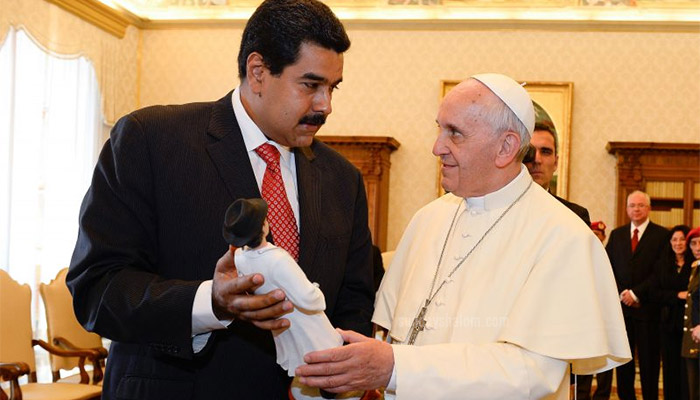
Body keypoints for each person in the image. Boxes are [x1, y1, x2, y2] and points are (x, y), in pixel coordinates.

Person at [66, 1, 375, 399]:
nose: (325, 105)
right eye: (311, 85)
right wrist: (209, 302)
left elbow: (354, 301)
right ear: (258, 72)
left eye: (333, 88)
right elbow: (98, 288)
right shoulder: (150, 140)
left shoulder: (343, 180)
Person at [295, 73, 631, 399]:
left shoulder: (564, 236)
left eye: (454, 133)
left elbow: (531, 374)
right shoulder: (427, 219)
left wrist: (396, 368)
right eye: (439, 129)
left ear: (506, 147)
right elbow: (392, 333)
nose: (436, 147)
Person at [606, 190, 669, 400]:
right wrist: (621, 294)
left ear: (648, 208)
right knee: (624, 364)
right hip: (621, 311)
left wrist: (636, 293)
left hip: (648, 310)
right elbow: (607, 268)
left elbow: (660, 271)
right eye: (632, 205)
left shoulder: (662, 235)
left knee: (650, 364)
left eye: (641, 205)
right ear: (626, 209)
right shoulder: (617, 235)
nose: (636, 209)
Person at [524, 103, 590, 226]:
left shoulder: (576, 216)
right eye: (530, 151)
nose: (537, 160)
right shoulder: (499, 211)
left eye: (545, 152)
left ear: (556, 162)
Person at [651, 225, 693, 400]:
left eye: (682, 239)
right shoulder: (662, 264)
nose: (678, 243)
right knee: (670, 367)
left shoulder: (694, 265)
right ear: (669, 243)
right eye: (674, 240)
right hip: (668, 323)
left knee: (687, 368)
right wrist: (677, 295)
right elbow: (655, 293)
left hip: (689, 324)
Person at [576, 220, 614, 400]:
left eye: (599, 235)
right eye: (593, 234)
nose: (596, 238)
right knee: (585, 357)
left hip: (606, 316)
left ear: (604, 237)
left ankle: (602, 396)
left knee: (605, 360)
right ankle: (582, 395)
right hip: (585, 316)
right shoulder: (580, 255)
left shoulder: (613, 256)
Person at [682, 227, 700, 400]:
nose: (697, 247)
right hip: (693, 335)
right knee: (693, 388)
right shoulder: (695, 268)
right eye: (693, 243)